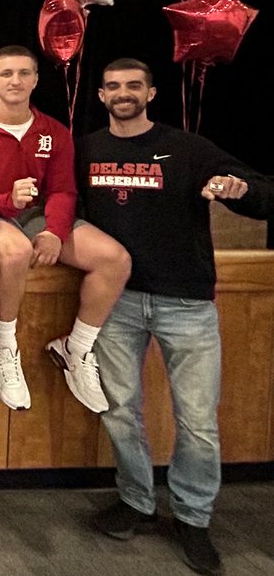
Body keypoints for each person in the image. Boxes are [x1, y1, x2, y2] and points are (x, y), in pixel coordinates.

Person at [80, 58, 272, 576]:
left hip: (186, 303)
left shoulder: (188, 148)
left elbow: (260, 191)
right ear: (100, 95)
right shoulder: (88, 150)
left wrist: (241, 191)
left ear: (151, 93)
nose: (123, 93)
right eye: (113, 86)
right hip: (118, 303)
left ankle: (193, 518)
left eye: (133, 85)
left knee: (198, 421)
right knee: (120, 409)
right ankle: (137, 501)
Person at [0, 45, 129, 413]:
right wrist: (7, 201)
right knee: (15, 251)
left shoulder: (54, 132)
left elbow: (63, 190)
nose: (15, 81)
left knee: (115, 259)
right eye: (6, 74)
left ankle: (76, 349)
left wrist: (54, 233)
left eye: (24, 73)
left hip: (34, 216)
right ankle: (5, 347)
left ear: (35, 80)